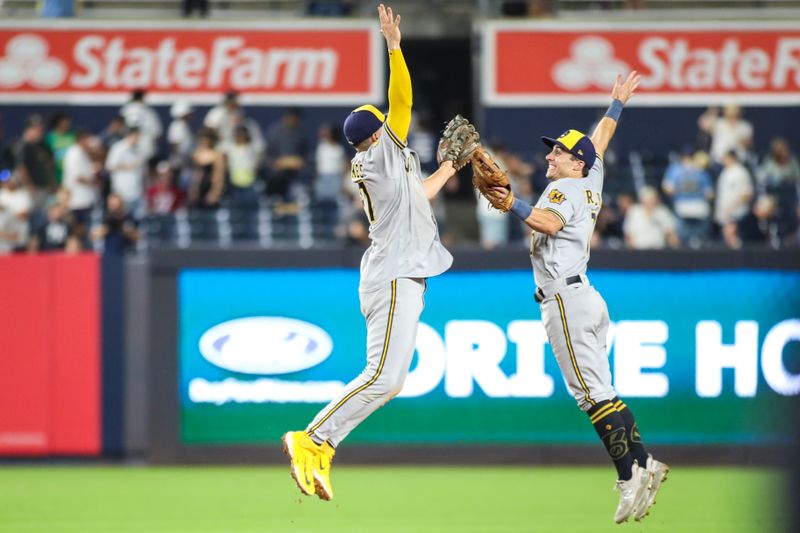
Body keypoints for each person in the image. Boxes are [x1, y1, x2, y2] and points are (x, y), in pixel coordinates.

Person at [282, 4, 459, 502]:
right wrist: (394, 47)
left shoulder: (384, 161)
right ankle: (311, 437)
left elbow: (417, 196)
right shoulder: (379, 152)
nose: (394, 122)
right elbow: (400, 99)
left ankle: (321, 445)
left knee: (391, 379)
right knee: (383, 375)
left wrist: (448, 168)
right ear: (377, 134)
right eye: (387, 123)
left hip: (398, 271)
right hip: (396, 273)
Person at [487, 71, 668, 524]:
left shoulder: (564, 188)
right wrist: (616, 105)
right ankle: (645, 463)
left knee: (592, 397)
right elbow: (599, 141)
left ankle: (629, 476)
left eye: (559, 152)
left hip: (564, 300)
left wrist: (514, 206)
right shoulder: (590, 175)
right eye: (553, 149)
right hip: (584, 294)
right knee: (603, 391)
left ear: (574, 164)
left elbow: (548, 223)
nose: (551, 155)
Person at [661, 149, 714, 248]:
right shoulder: (698, 170)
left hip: (690, 206)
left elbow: (668, 189)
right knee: (692, 238)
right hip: (691, 206)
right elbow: (709, 193)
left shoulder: (699, 169)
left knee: (692, 238)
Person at [62, 129, 98, 245]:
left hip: (85, 199)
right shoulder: (74, 154)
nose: (89, 143)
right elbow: (77, 177)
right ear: (82, 140)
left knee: (85, 230)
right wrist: (93, 181)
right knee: (79, 230)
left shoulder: (83, 153)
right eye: (88, 140)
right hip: (78, 200)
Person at [714, 150, 753, 249]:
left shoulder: (740, 172)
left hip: (736, 216)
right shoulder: (725, 172)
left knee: (736, 246)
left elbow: (747, 194)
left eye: (725, 157)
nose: (722, 160)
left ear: (732, 157)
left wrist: (732, 210)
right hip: (726, 217)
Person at [105, 126, 147, 218]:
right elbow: (109, 166)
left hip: (137, 191)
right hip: (122, 192)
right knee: (123, 220)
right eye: (137, 136)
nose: (138, 138)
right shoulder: (117, 148)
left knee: (139, 220)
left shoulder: (139, 150)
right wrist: (129, 166)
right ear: (130, 135)